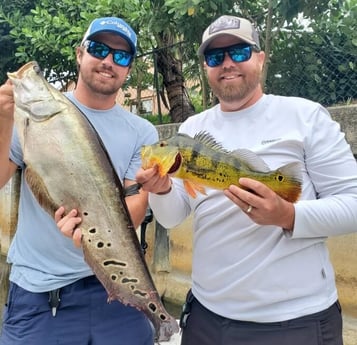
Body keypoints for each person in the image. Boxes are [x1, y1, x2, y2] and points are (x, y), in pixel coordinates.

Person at [135, 15, 357, 345]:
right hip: (207, 318)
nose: (227, 64)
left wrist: (287, 216)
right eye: (215, 56)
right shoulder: (191, 129)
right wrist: (162, 189)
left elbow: (353, 203)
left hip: (295, 322)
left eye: (239, 52)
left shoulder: (305, 116)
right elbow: (172, 216)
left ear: (260, 58)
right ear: (206, 67)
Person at [0, 17, 158, 345]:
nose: (108, 61)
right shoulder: (26, 115)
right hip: (41, 294)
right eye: (99, 49)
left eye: (122, 56)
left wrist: (91, 232)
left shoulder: (142, 132)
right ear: (79, 54)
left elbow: (136, 207)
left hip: (117, 292)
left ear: (129, 68)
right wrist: (4, 118)